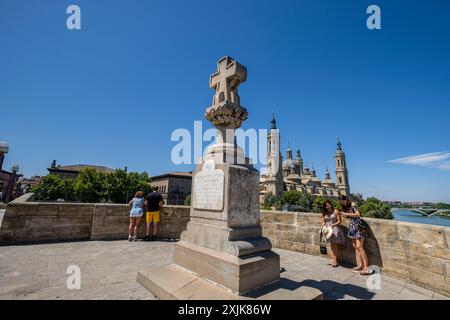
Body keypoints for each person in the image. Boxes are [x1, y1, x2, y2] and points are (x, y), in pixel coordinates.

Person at [340, 196, 372, 275]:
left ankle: (366, 268)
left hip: (358, 227)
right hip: (352, 227)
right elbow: (350, 216)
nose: (343, 202)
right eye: (341, 201)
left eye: (344, 200)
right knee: (355, 247)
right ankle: (359, 265)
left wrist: (345, 213)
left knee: (360, 247)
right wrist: (342, 214)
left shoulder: (353, 204)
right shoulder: (346, 207)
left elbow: (358, 214)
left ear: (347, 199)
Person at [321, 200, 345, 267]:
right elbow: (323, 221)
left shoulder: (335, 211)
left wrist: (333, 225)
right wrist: (323, 226)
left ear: (331, 204)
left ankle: (335, 260)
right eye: (326, 206)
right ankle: (334, 259)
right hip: (328, 231)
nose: (327, 206)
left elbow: (339, 221)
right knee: (332, 244)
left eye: (328, 205)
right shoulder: (324, 212)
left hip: (334, 230)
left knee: (335, 245)